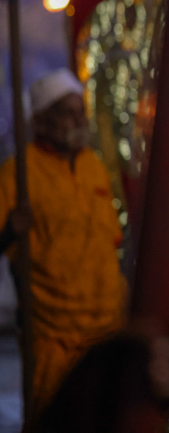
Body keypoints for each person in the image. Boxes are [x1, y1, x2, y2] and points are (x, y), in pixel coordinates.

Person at [0, 68, 126, 417]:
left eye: (80, 111)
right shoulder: (19, 172)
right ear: (41, 121)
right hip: (53, 341)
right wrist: (10, 231)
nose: (78, 120)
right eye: (66, 113)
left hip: (106, 333)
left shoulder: (93, 166)